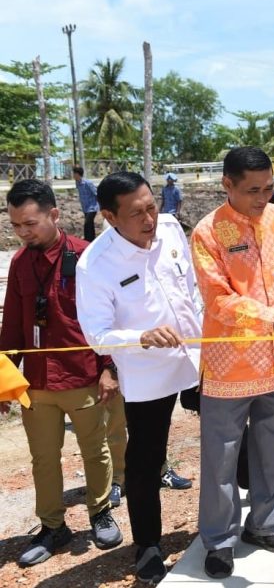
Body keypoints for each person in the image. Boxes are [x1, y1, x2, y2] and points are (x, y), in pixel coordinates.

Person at [191, 147, 274, 580]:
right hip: (232, 365)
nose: (262, 197)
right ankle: (219, 540)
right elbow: (217, 297)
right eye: (251, 191)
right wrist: (270, 318)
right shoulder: (209, 232)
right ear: (227, 185)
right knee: (221, 459)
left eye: (267, 188)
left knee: (273, 450)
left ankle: (263, 524)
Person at [76, 171, 202, 583]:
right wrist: (140, 337)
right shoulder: (94, 263)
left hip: (200, 357)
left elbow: (193, 288)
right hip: (149, 372)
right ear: (110, 217)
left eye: (152, 206)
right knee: (146, 459)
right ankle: (147, 544)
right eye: (137, 213)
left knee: (230, 428)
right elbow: (97, 334)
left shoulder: (169, 228)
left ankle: (252, 498)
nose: (150, 218)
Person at [0, 179, 122, 567]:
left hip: (83, 374)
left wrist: (109, 369)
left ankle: (100, 513)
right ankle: (52, 526)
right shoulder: (19, 263)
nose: (22, 232)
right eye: (15, 225)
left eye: (30, 223)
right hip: (36, 382)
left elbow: (111, 319)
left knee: (94, 449)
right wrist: (4, 381)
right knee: (43, 458)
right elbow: (13, 329)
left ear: (54, 215)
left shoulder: (87, 258)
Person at [72, 165, 98, 241]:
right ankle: (92, 239)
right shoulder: (77, 183)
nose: (73, 175)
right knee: (90, 224)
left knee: (87, 223)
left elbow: (96, 193)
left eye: (74, 173)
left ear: (77, 174)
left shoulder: (88, 183)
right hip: (85, 207)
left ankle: (87, 240)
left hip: (92, 207)